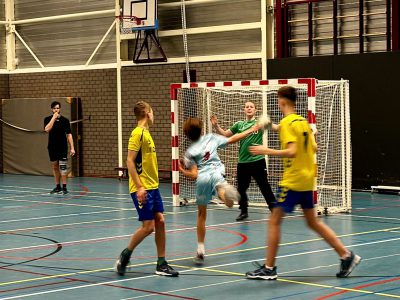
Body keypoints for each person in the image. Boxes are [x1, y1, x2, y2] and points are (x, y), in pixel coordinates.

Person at [245, 86, 361, 280]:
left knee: (274, 220)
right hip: (307, 179)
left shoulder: (288, 122)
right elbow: (313, 147)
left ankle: (269, 267)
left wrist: (266, 151)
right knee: (313, 222)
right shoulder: (302, 122)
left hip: (293, 180)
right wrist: (270, 126)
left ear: (281, 102)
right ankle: (346, 255)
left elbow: (292, 151)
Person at [179, 117, 260, 265]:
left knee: (201, 214)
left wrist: (182, 171)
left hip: (202, 178)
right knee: (223, 194)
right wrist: (250, 130)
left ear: (187, 135)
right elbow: (234, 138)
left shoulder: (189, 152)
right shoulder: (211, 138)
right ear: (201, 129)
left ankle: (201, 250)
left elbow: (194, 174)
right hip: (216, 172)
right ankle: (226, 194)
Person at [114, 101, 178, 277]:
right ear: (147, 114)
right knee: (148, 227)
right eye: (153, 111)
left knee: (161, 221)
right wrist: (140, 187)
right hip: (142, 188)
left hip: (153, 186)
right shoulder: (137, 134)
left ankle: (161, 263)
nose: (154, 115)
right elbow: (129, 160)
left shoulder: (147, 134)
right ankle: (125, 255)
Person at [211, 102, 276, 221]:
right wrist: (216, 126)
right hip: (243, 162)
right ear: (244, 110)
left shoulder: (259, 123)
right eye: (247, 107)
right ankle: (243, 211)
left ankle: (274, 209)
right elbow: (226, 134)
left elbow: (275, 128)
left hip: (258, 160)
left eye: (251, 107)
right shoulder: (239, 124)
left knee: (264, 186)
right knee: (241, 189)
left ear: (255, 110)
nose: (249, 108)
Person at [44, 101, 75, 195]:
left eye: (57, 108)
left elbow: (69, 135)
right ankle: (58, 187)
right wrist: (53, 118)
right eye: (54, 108)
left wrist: (72, 148)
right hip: (52, 146)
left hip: (62, 147)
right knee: (54, 166)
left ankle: (64, 187)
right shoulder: (47, 119)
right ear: (51, 109)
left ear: (60, 109)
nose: (56, 110)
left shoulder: (65, 120)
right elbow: (47, 129)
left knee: (63, 167)